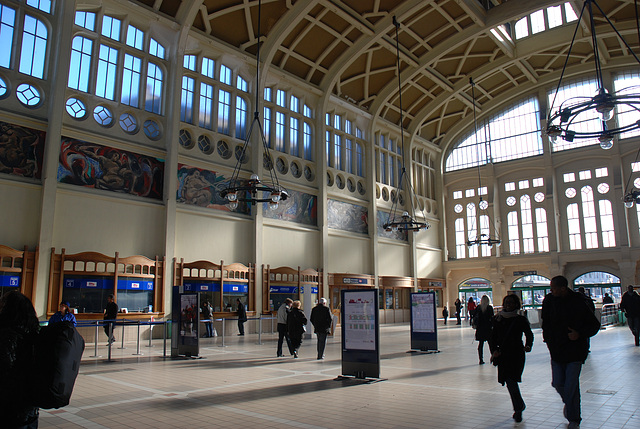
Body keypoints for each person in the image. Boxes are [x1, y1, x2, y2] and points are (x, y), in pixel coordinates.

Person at [542, 275, 601, 429]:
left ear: (563, 288)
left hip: (574, 352)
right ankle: (570, 404)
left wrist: (579, 334)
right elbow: (546, 323)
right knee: (557, 383)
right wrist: (548, 340)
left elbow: (594, 325)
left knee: (571, 386)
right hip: (556, 351)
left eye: (553, 288)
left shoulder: (578, 301)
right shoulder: (549, 301)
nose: (551, 291)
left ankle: (574, 418)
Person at [489, 294, 533, 423]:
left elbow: (529, 334)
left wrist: (528, 345)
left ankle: (518, 408)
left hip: (516, 354)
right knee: (510, 381)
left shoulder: (520, 320)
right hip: (503, 355)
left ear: (516, 304)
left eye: (511, 303)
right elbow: (492, 338)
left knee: (511, 380)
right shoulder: (497, 319)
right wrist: (494, 351)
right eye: (506, 302)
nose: (508, 305)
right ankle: (519, 407)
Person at [0, 291, 40, 428]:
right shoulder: (34, 334)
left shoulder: (8, 335)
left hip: (10, 406)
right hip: (31, 405)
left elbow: (5, 368)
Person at [474, 295, 493, 364]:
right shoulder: (489, 308)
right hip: (488, 328)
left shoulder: (478, 307)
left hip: (480, 328)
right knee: (491, 344)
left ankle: (481, 359)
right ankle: (493, 357)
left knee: (480, 344)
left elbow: (474, 315)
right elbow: (492, 318)